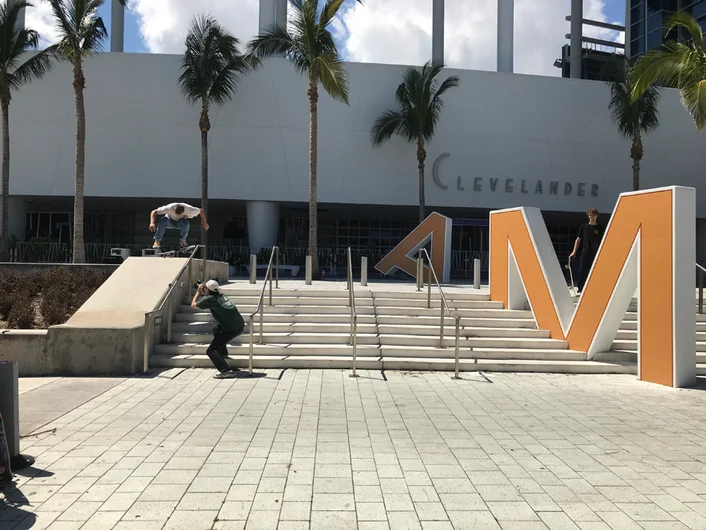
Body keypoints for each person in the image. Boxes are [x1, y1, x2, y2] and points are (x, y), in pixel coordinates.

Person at [191, 280, 244, 379]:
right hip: (239, 325)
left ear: (207, 290)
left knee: (211, 350)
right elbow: (212, 296)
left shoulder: (210, 299)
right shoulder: (221, 296)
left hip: (231, 329)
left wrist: (198, 293)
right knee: (216, 329)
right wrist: (206, 291)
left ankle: (226, 370)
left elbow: (193, 305)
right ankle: (223, 354)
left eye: (205, 288)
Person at [569, 208, 604, 294]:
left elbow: (604, 240)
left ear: (597, 216)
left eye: (593, 215)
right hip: (585, 252)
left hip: (596, 253)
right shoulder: (583, 227)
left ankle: (595, 289)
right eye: (590, 215)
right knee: (582, 271)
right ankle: (580, 289)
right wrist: (574, 251)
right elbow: (578, 240)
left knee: (595, 271)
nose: (591, 217)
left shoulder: (600, 227)